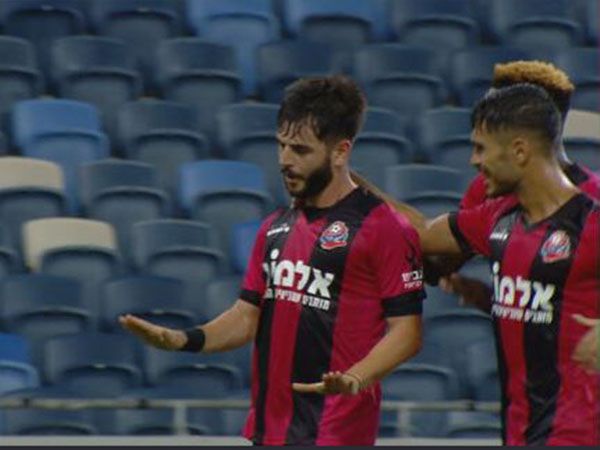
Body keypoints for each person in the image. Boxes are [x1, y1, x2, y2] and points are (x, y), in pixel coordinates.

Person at [120, 75, 425, 446]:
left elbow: (407, 332)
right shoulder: (274, 227)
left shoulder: (385, 228)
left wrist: (357, 378)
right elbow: (246, 316)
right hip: (268, 431)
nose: (284, 160)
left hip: (335, 433)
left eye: (300, 150)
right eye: (281, 146)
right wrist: (183, 340)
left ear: (340, 152)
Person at [418, 83, 600, 445]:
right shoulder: (497, 218)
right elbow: (418, 234)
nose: (473, 160)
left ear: (519, 150)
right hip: (519, 429)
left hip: (579, 430)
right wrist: (347, 187)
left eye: (480, 148)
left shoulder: (591, 224)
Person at [439, 61, 600, 311]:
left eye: (498, 110)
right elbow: (440, 263)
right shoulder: (485, 189)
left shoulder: (593, 203)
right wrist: (488, 299)